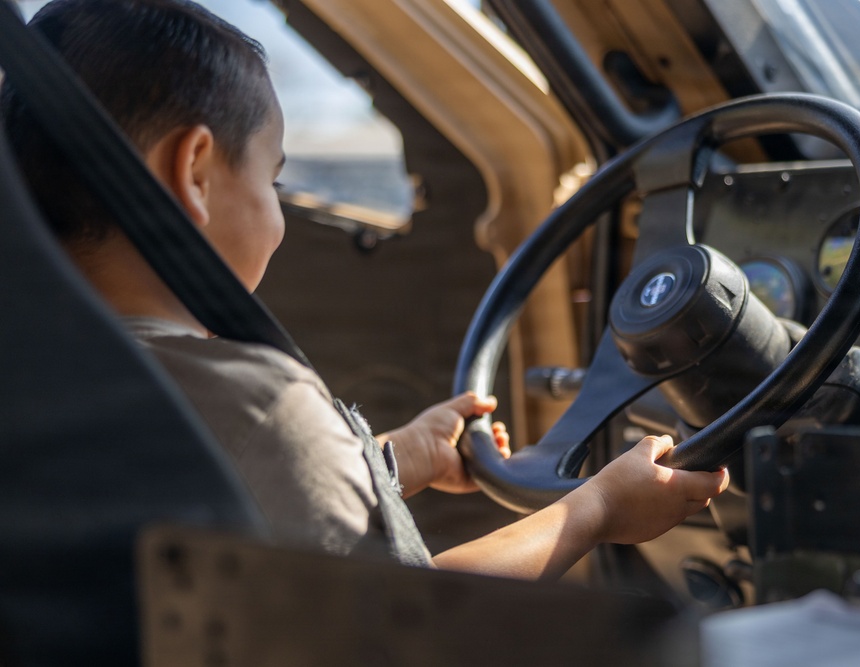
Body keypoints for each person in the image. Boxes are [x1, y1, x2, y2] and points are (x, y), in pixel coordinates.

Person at [1, 0, 728, 580]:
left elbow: (240, 487)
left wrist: (404, 454)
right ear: (193, 172)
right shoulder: (254, 400)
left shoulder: (49, 373)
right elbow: (410, 631)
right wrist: (595, 507)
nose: (278, 211)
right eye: (272, 179)